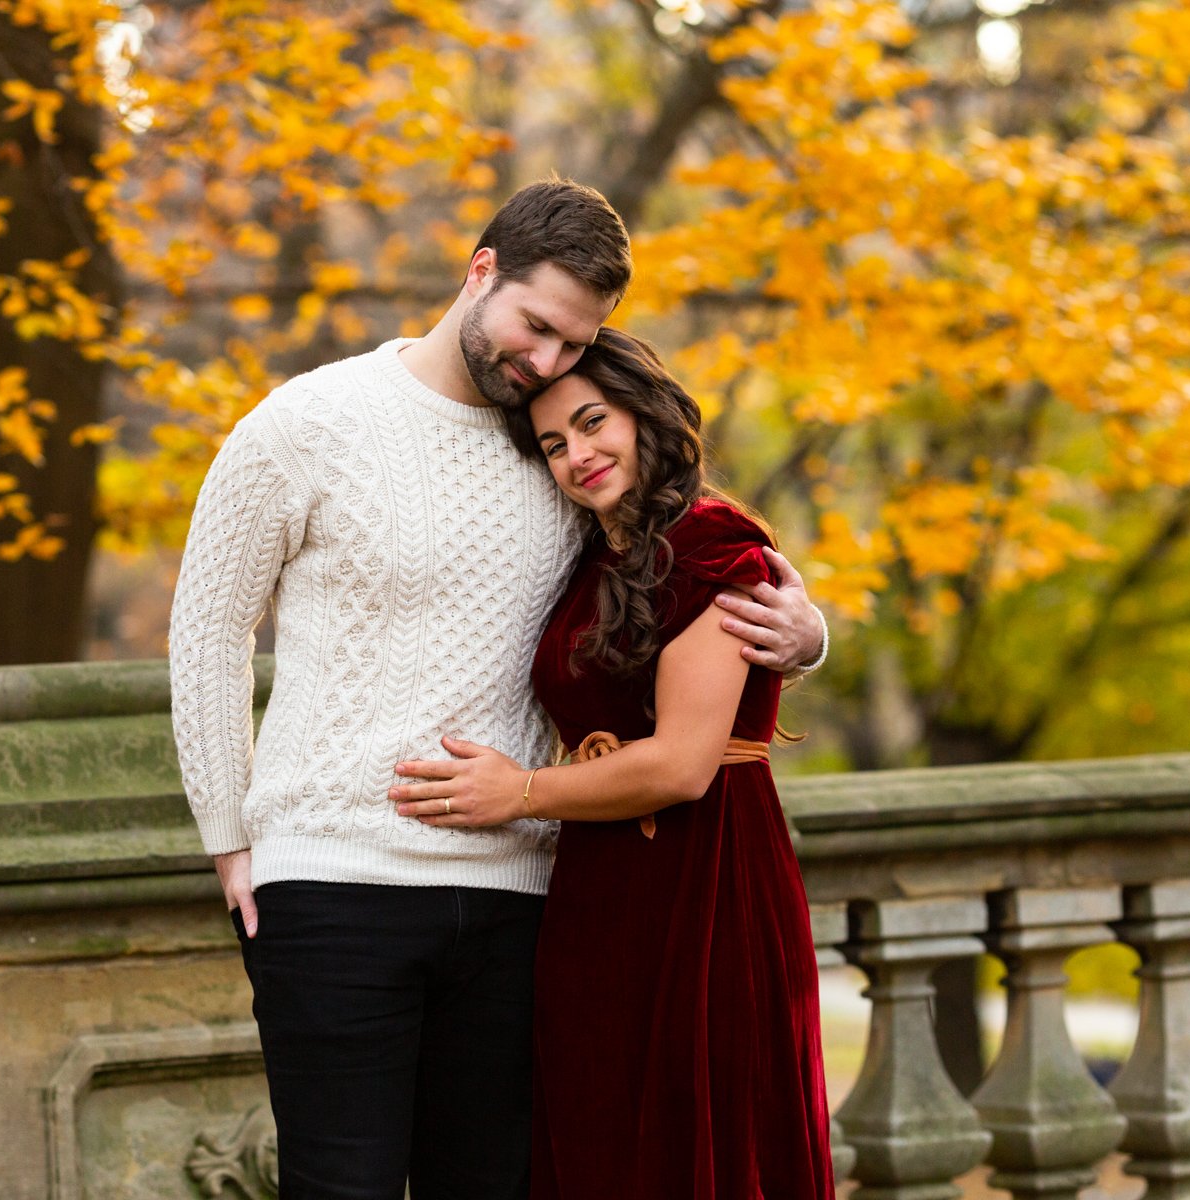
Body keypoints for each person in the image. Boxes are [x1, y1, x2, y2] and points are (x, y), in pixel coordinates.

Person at [168, 179, 826, 1200]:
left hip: (523, 897)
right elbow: (209, 626)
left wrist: (806, 631)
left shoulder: (554, 450)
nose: (549, 364)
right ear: (482, 273)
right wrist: (231, 835)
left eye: (574, 344)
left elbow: (682, 550)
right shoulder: (305, 423)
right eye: (537, 327)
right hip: (336, 882)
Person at [389, 329, 831, 1200]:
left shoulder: (716, 546)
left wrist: (516, 792)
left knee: (695, 1133)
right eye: (554, 444)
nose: (577, 455)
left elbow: (680, 766)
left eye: (593, 424)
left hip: (704, 886)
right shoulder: (592, 557)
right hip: (596, 889)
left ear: (645, 413)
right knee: (600, 1137)